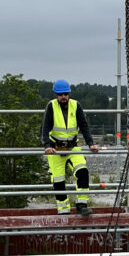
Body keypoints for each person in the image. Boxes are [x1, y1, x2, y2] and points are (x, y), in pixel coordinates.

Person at [42, 79, 99, 216]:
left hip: (72, 147)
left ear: (69, 94)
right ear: (56, 95)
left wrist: (90, 143)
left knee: (83, 172)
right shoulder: (51, 106)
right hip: (56, 149)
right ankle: (63, 211)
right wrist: (47, 146)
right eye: (61, 94)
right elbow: (45, 128)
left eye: (66, 94)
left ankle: (81, 205)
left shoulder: (76, 105)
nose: (63, 97)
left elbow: (84, 125)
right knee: (58, 180)